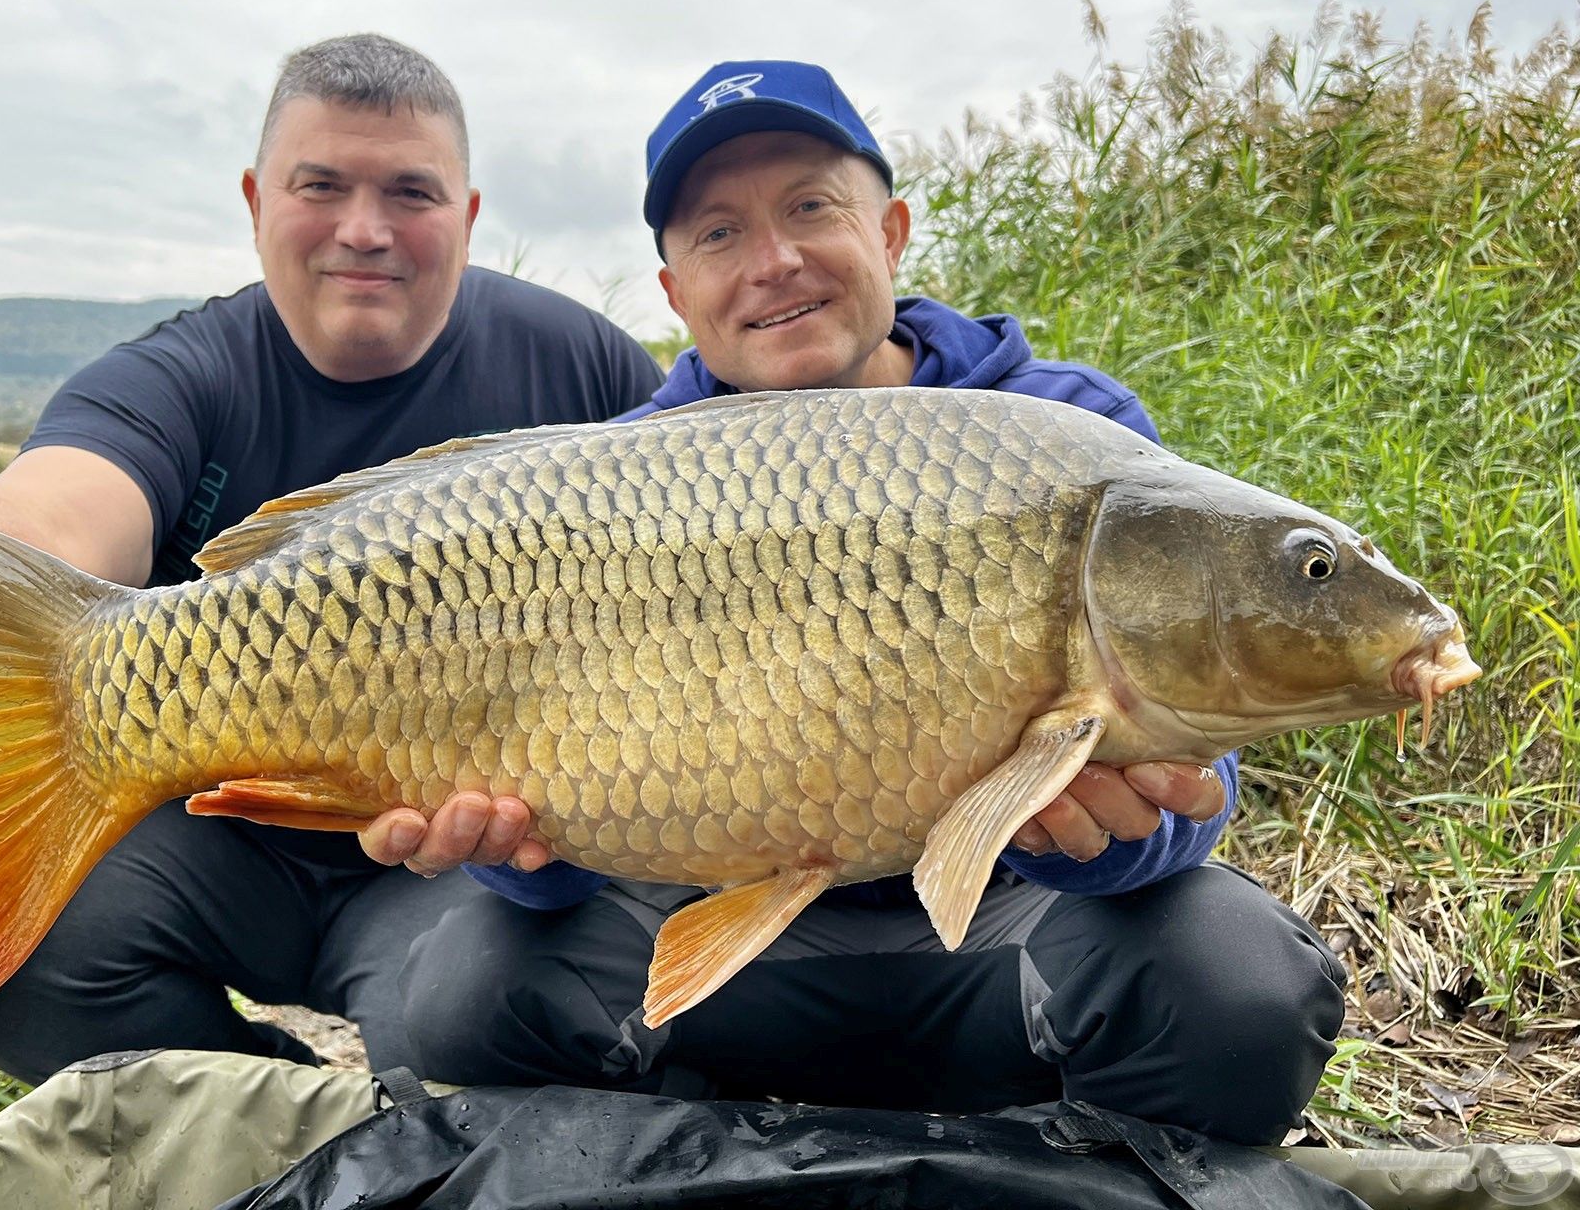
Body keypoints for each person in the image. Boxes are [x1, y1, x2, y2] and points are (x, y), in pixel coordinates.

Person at [398, 60, 1347, 1146]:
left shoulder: (1066, 435)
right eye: (718, 233)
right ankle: (701, 1156)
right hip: (726, 967)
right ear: (674, 292)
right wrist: (508, 845)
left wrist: (1084, 835)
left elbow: (1194, 793)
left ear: (891, 231)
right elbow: (547, 873)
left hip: (1001, 948)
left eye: (810, 207)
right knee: (465, 997)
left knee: (1241, 993)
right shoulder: (615, 483)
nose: (775, 261)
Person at [0, 33, 665, 1083]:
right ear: (257, 199)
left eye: (411, 192)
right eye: (321, 185)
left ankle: (424, 1112)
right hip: (216, 843)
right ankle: (275, 1124)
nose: (365, 229)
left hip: (465, 872)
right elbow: (65, 508)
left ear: (470, 215)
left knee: (514, 1018)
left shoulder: (582, 363)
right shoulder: (184, 372)